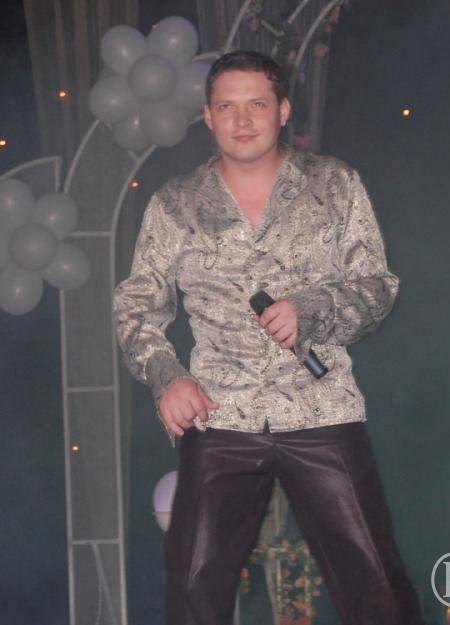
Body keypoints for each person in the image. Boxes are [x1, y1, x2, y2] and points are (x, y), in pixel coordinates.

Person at [113, 50, 426, 625]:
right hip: (220, 413)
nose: (242, 119)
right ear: (208, 116)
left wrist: (313, 309)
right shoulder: (175, 203)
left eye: (256, 104)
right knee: (193, 588)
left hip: (320, 407)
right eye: (226, 106)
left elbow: (377, 288)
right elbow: (136, 307)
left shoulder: (334, 184)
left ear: (282, 110)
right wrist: (167, 376)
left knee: (376, 582)